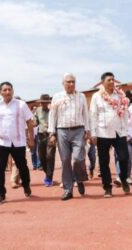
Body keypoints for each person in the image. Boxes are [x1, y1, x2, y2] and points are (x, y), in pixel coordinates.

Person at [0, 82, 35, 205]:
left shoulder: (21, 105)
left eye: (9, 89)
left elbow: (30, 122)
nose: (8, 92)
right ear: (0, 92)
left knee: (22, 166)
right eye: (5, 90)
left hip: (18, 141)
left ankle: (26, 185)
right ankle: (0, 194)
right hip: (1, 141)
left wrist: (31, 139)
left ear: (13, 91)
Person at [48, 73, 90, 201]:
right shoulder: (57, 97)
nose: (71, 84)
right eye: (68, 82)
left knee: (78, 158)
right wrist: (52, 133)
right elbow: (52, 115)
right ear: (63, 84)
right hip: (62, 131)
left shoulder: (81, 96)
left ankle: (80, 179)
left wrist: (87, 130)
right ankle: (68, 189)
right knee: (65, 160)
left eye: (73, 82)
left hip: (78, 130)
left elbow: (85, 114)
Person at [90, 72, 131, 198]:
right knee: (104, 162)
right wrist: (93, 133)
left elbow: (124, 113)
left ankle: (123, 179)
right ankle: (107, 187)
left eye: (113, 80)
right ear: (103, 82)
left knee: (124, 158)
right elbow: (93, 115)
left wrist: (126, 130)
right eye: (109, 80)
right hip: (102, 133)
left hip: (119, 132)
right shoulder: (96, 96)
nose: (112, 82)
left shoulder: (120, 96)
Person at [34, 94, 56, 187]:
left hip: (51, 135)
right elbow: (35, 122)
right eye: (42, 103)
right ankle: (48, 174)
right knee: (42, 157)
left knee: (50, 156)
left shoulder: (53, 109)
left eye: (45, 102)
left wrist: (54, 134)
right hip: (40, 136)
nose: (43, 104)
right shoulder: (38, 111)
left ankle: (49, 178)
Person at [30, 105, 41, 170]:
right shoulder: (29, 116)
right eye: (34, 108)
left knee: (39, 150)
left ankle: (39, 164)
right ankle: (34, 164)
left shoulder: (39, 116)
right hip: (32, 135)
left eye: (36, 108)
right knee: (33, 151)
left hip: (38, 134)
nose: (35, 109)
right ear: (32, 109)